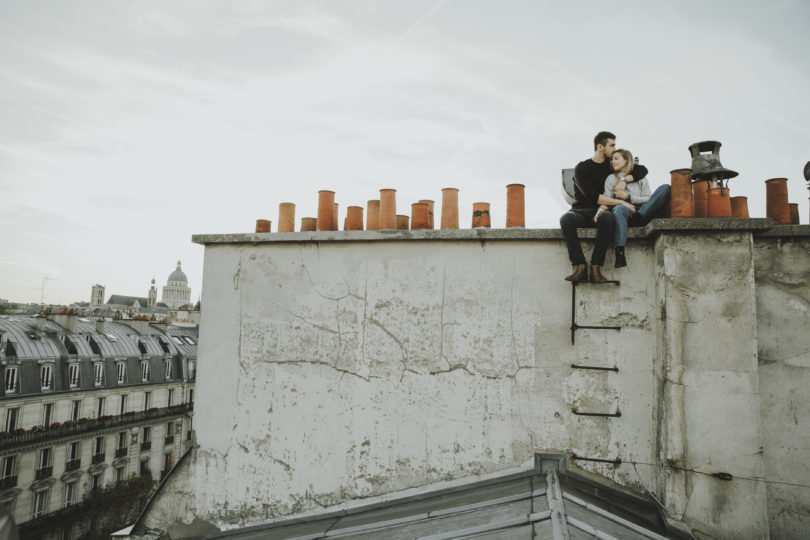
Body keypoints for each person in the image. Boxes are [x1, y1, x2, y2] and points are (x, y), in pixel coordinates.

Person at [560, 131, 647, 282]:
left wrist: (624, 180)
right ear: (600, 147)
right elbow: (593, 197)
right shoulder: (581, 168)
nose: (614, 149)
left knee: (608, 219)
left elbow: (642, 169)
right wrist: (621, 202)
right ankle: (580, 266)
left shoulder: (611, 166)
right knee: (566, 219)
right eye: (612, 145)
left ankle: (595, 268)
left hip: (602, 211)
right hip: (580, 211)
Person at [595, 149, 671, 268]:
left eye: (616, 159)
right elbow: (606, 199)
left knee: (666, 188)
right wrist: (601, 209)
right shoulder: (611, 178)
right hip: (625, 216)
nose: (612, 162)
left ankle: (639, 215)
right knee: (619, 209)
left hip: (644, 212)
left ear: (625, 160)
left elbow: (649, 199)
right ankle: (620, 251)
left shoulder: (641, 178)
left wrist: (629, 197)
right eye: (611, 160)